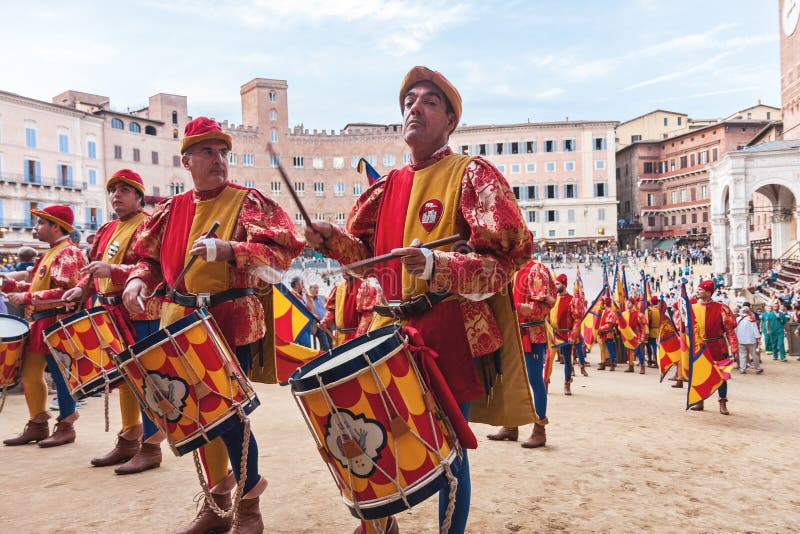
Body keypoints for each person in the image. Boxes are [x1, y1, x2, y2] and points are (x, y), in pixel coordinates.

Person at [304, 66, 532, 534]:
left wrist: (438, 266)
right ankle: (380, 525)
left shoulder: (471, 175)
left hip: (448, 330)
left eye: (429, 101)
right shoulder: (386, 188)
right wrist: (331, 240)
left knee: (449, 452)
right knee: (374, 434)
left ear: (450, 121)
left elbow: (506, 257)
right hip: (385, 331)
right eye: (409, 100)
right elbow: (368, 259)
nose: (415, 107)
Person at [122, 117, 304, 533]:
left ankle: (249, 507)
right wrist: (136, 280)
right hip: (178, 320)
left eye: (223, 151)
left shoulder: (249, 201)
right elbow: (147, 261)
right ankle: (216, 503)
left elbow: (281, 256)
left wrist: (230, 250)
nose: (218, 159)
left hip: (225, 320)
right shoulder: (170, 210)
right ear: (187, 162)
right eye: (207, 152)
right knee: (194, 417)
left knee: (227, 416)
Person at [62, 169, 166, 474]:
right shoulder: (107, 228)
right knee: (124, 380)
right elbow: (95, 269)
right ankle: (129, 438)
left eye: (124, 190)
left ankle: (152, 446)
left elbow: (154, 267)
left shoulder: (148, 224)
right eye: (112, 190)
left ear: (138, 195)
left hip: (140, 311)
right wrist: (80, 289)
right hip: (109, 312)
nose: (116, 195)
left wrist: (116, 272)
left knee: (146, 380)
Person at [2, 206, 87, 447]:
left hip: (56, 321)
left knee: (60, 374)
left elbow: (65, 292)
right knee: (30, 373)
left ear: (55, 226)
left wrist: (27, 298)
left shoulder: (68, 252)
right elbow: (37, 289)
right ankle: (38, 422)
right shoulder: (51, 253)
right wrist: (11, 287)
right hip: (42, 321)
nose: (35, 228)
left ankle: (67, 424)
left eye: (40, 223)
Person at [488, 258, 554, 446]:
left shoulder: (536, 269)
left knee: (535, 380)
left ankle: (539, 430)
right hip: (513, 333)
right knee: (510, 379)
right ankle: (511, 425)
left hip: (531, 334)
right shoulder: (511, 270)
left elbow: (543, 307)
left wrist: (513, 310)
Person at [690, 280, 738, 415]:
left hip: (718, 346)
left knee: (722, 375)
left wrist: (734, 348)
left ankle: (722, 402)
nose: (698, 292)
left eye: (700, 290)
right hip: (700, 347)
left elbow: (729, 330)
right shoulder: (692, 308)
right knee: (699, 374)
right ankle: (700, 401)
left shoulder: (722, 308)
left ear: (708, 292)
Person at [548, 273, 583, 394]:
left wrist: (573, 335)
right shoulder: (552, 298)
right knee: (549, 358)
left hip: (566, 335)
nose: (555, 286)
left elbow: (577, 319)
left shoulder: (572, 300)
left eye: (557, 283)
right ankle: (545, 382)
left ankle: (567, 383)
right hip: (552, 334)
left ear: (563, 284)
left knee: (568, 360)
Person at [735, 306, 762, 374]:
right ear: (748, 311)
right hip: (751, 340)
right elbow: (755, 329)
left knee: (742, 355)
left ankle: (742, 369)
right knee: (754, 354)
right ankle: (758, 368)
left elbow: (735, 330)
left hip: (740, 339)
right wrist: (758, 338)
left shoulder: (737, 319)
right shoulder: (751, 319)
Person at [306, 283, 332, 351]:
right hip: (318, 325)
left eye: (317, 288)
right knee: (325, 345)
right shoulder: (307, 300)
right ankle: (324, 359)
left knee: (331, 343)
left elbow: (331, 304)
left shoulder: (322, 297)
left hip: (327, 323)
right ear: (310, 289)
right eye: (314, 288)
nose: (316, 290)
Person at [288, 276, 313, 347]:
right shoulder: (291, 295)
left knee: (308, 346)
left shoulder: (303, 295)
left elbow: (310, 308)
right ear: (297, 285)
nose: (303, 285)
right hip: (299, 324)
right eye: (302, 283)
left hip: (306, 323)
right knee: (306, 345)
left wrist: (307, 295)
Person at [597, 298, 618, 371]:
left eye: (605, 303)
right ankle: (603, 363)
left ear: (606, 304)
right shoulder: (603, 312)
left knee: (610, 350)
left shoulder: (612, 313)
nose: (604, 305)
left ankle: (612, 364)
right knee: (602, 350)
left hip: (608, 334)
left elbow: (610, 324)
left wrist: (600, 329)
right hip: (602, 334)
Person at [646, 296, 662, 368]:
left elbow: (648, 321)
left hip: (651, 330)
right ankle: (656, 361)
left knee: (650, 346)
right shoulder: (660, 310)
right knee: (655, 346)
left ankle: (651, 360)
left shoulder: (650, 310)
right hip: (658, 329)